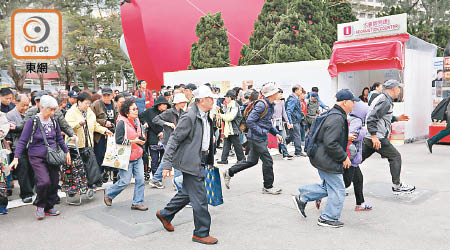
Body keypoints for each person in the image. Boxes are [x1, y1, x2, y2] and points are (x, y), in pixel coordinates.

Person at [156, 85, 218, 245]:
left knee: (187, 193)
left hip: (200, 159)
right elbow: (174, 139)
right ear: (201, 100)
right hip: (191, 162)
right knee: (200, 198)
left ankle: (165, 214)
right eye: (210, 98)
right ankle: (201, 233)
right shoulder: (189, 116)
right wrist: (167, 164)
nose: (213, 101)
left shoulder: (206, 115)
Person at [292, 89, 359, 228]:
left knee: (328, 187)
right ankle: (327, 218)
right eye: (353, 102)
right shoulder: (337, 118)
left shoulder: (334, 114)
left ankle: (303, 197)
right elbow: (331, 143)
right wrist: (344, 157)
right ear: (345, 102)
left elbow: (328, 137)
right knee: (338, 189)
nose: (354, 105)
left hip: (320, 156)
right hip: (327, 158)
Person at [10, 95, 71, 220]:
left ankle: (49, 206)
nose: (53, 112)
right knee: (44, 181)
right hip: (36, 156)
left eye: (54, 110)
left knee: (54, 182)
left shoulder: (54, 121)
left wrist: (67, 152)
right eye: (50, 109)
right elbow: (22, 141)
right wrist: (16, 157)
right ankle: (40, 205)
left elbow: (59, 138)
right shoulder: (32, 121)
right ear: (42, 107)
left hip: (52, 156)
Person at [223, 82, 284, 195]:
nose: (278, 93)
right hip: (256, 138)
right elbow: (250, 121)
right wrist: (261, 132)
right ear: (271, 94)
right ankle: (268, 186)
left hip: (258, 137)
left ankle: (230, 171)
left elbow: (266, 122)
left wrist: (276, 133)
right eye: (277, 92)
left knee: (252, 161)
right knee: (268, 160)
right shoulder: (262, 105)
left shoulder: (270, 105)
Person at [362, 79, 415, 194]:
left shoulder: (383, 98)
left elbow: (382, 116)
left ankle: (337, 181)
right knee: (395, 157)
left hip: (369, 138)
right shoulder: (385, 101)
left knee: (356, 160)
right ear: (393, 89)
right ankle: (397, 186)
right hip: (377, 138)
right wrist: (374, 137)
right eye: (398, 88)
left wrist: (396, 118)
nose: (400, 90)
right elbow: (372, 118)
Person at [104, 98, 147, 210]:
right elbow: (118, 140)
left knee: (141, 179)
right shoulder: (121, 123)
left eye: (136, 109)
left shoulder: (137, 121)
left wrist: (141, 140)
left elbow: (139, 136)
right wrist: (135, 141)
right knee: (124, 181)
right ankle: (109, 193)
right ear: (127, 112)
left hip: (138, 155)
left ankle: (137, 202)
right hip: (126, 157)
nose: (136, 111)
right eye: (133, 109)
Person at [65, 92, 113, 187]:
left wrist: (105, 130)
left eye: (89, 103)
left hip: (88, 144)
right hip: (76, 146)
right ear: (79, 102)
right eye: (85, 103)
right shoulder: (71, 112)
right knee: (77, 168)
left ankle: (91, 183)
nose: (87, 105)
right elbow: (67, 126)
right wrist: (79, 124)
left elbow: (95, 126)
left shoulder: (90, 112)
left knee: (90, 166)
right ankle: (74, 187)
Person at [151, 93, 189, 190]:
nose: (184, 104)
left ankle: (156, 179)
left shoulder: (182, 113)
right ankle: (177, 181)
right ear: (177, 103)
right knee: (174, 159)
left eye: (184, 102)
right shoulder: (169, 112)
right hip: (168, 140)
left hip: (175, 140)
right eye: (182, 102)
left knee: (166, 159)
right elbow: (155, 119)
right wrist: (167, 123)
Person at [6, 94, 34, 203]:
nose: (26, 108)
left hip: (31, 145)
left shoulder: (30, 112)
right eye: (23, 105)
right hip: (18, 146)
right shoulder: (10, 115)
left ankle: (30, 189)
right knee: (23, 170)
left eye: (27, 105)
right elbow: (12, 131)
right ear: (16, 102)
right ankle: (26, 193)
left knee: (32, 169)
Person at [140, 96, 170, 186]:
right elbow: (140, 116)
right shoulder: (149, 111)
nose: (165, 106)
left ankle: (158, 177)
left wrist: (163, 132)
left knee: (163, 159)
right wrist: (144, 122)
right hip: (153, 138)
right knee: (154, 159)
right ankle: (156, 178)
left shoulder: (168, 113)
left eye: (166, 104)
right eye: (163, 104)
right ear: (158, 105)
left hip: (164, 137)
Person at [91, 87, 117, 180]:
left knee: (111, 154)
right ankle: (100, 175)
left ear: (112, 95)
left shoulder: (114, 104)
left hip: (112, 133)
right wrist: (103, 122)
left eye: (108, 95)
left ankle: (112, 174)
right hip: (99, 134)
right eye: (104, 95)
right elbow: (91, 120)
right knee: (100, 155)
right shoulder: (96, 104)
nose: (106, 97)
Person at [217, 90, 245, 164]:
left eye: (226, 97)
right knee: (226, 145)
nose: (225, 99)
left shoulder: (234, 105)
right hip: (229, 129)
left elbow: (230, 117)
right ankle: (224, 159)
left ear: (229, 97)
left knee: (237, 145)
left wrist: (221, 115)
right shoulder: (229, 105)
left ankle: (241, 159)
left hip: (233, 129)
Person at [272, 89, 293, 160]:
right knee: (267, 139)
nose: (281, 95)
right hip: (272, 123)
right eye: (280, 94)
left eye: (282, 94)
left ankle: (285, 154)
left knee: (283, 137)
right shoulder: (271, 103)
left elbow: (284, 113)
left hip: (280, 123)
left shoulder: (282, 102)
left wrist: (287, 122)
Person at [286, 84, 306, 157]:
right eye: (300, 90)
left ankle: (283, 143)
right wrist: (290, 122)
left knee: (292, 136)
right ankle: (298, 151)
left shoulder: (296, 98)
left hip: (296, 119)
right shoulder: (293, 99)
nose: (301, 92)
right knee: (297, 135)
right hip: (294, 120)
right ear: (296, 90)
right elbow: (288, 110)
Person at [0, 111, 10, 214]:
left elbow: (3, 131)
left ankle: (2, 205)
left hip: (0, 153)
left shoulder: (1, 115)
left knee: (1, 179)